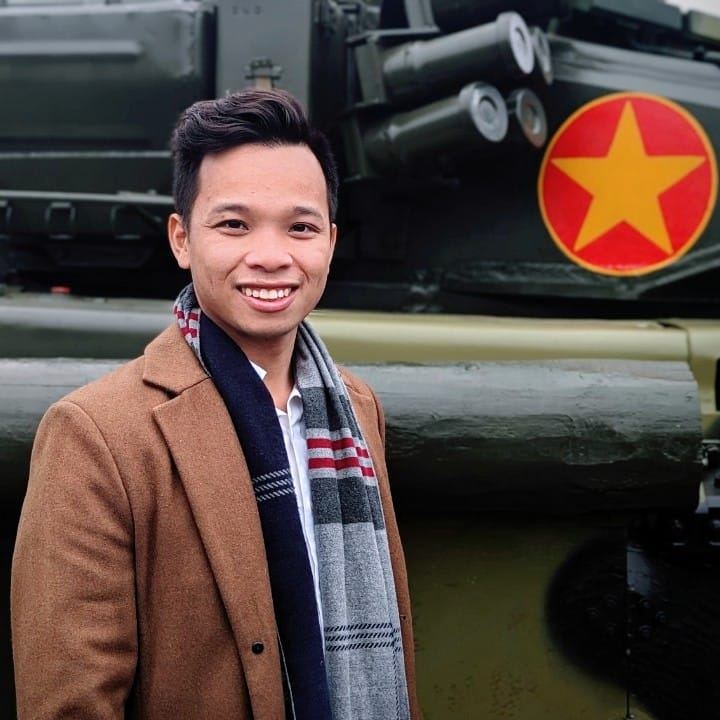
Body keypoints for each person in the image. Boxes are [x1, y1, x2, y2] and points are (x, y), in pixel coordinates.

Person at [11, 89, 420, 720]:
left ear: (331, 241)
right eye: (234, 225)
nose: (271, 256)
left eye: (301, 227)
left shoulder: (356, 408)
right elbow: (71, 700)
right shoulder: (96, 433)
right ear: (182, 239)